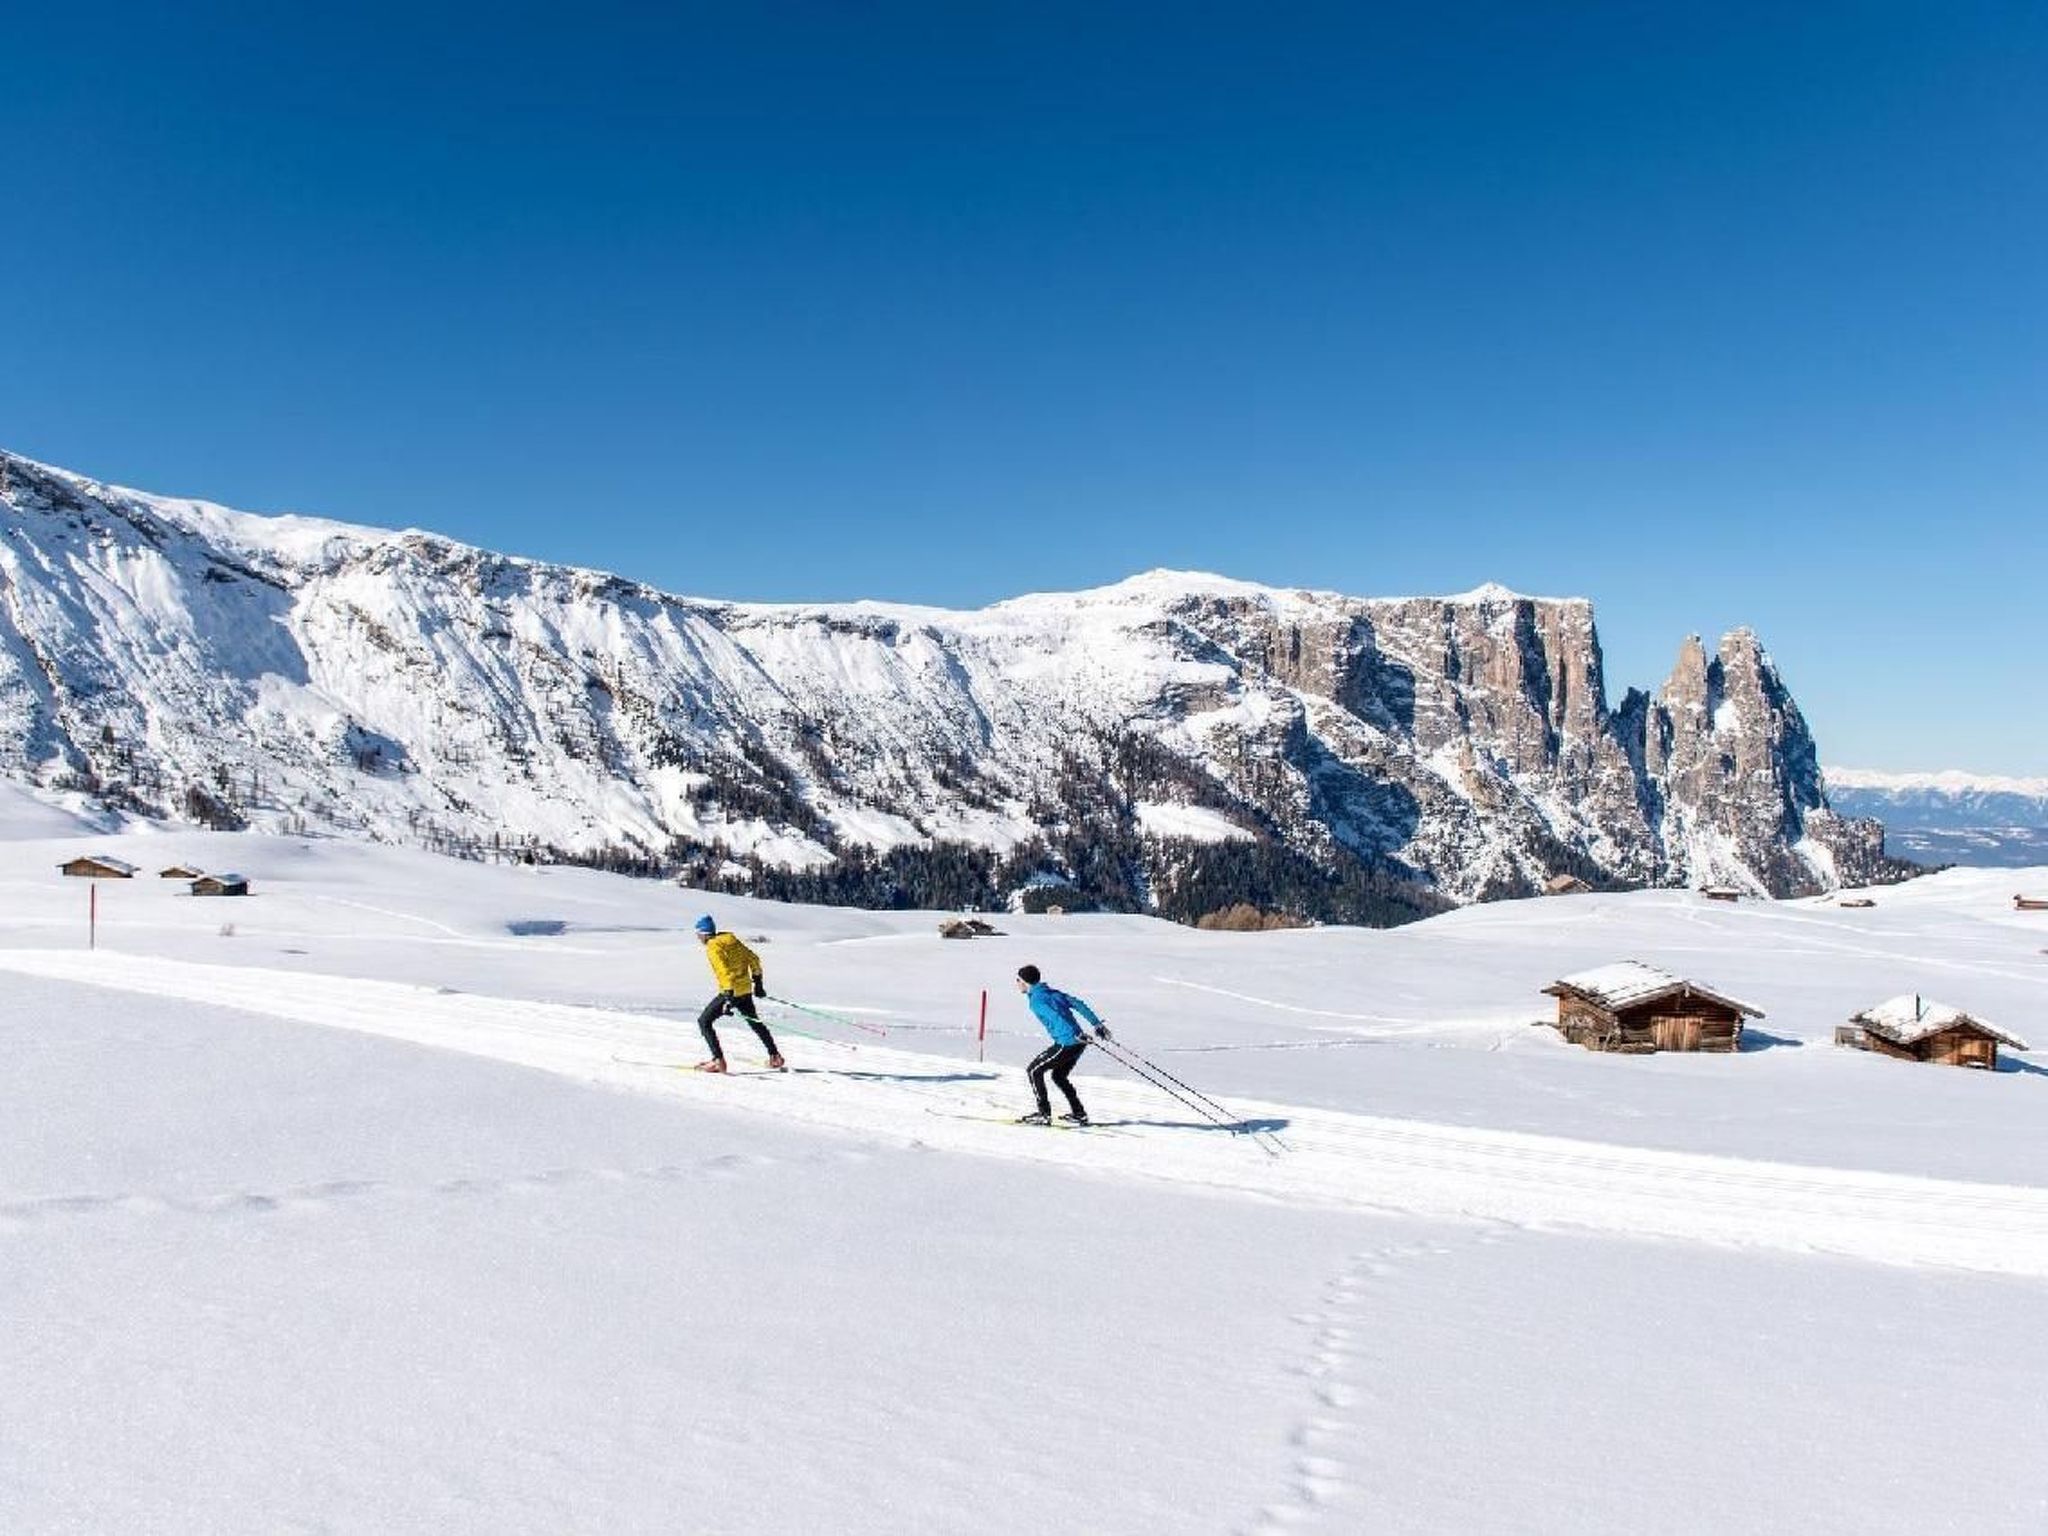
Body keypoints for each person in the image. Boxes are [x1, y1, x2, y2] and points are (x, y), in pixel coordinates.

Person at [1014, 963, 1111, 1125]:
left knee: (1033, 1071)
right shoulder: (1052, 993)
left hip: (1067, 1043)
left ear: (1025, 982)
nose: (1016, 983)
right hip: (1077, 1042)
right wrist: (1096, 1025)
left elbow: (1055, 1017)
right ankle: (1079, 1113)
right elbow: (1078, 1004)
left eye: (1018, 979)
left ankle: (1043, 1114)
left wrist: (1074, 1034)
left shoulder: (1036, 1001)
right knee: (1058, 1076)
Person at [692, 915, 784, 1072]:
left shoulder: (713, 947)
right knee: (755, 1022)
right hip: (745, 990)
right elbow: (753, 959)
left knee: (704, 1022)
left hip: (731, 992)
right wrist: (758, 983)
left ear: (705, 933)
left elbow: (723, 972)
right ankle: (775, 1056)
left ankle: (717, 1060)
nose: (698, 937)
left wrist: (728, 997)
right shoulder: (732, 940)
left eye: (698, 934)